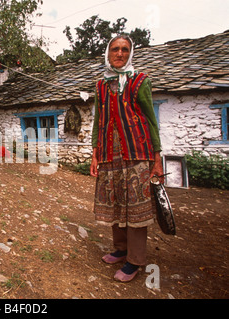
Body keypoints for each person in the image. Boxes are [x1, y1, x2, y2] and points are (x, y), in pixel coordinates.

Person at [90, 35, 163, 282]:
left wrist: (157, 158)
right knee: (116, 203)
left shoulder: (140, 81)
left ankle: (135, 260)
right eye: (115, 49)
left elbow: (151, 120)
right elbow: (98, 121)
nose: (119, 53)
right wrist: (95, 153)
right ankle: (121, 249)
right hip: (110, 155)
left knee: (136, 209)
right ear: (107, 53)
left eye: (124, 49)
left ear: (130, 54)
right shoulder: (101, 85)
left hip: (137, 154)